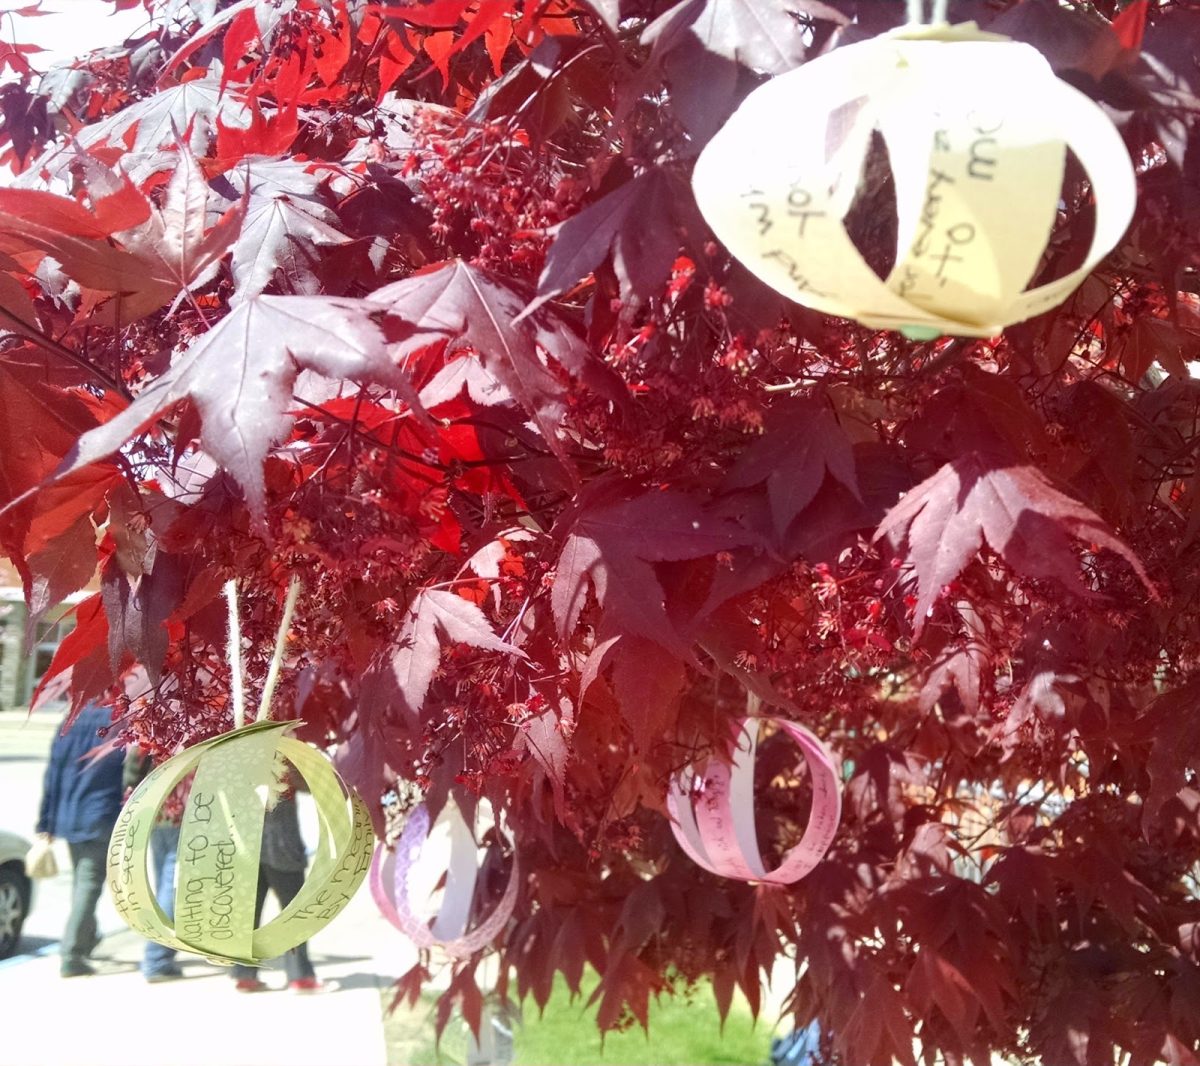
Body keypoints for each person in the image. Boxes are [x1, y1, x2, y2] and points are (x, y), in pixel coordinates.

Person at [35, 702, 124, 978]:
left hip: (69, 813)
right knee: (88, 882)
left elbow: (54, 771)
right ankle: (72, 953)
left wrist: (46, 821)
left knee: (82, 879)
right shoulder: (118, 720)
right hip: (100, 813)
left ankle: (87, 936)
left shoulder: (70, 719)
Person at [231, 788, 321, 993]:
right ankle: (300, 976)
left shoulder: (236, 760)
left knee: (247, 915)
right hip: (282, 845)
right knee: (294, 914)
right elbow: (307, 783)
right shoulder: (286, 757)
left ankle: (245, 974)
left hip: (247, 844)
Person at [122, 745, 184, 983]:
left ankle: (160, 950)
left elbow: (130, 772)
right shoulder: (186, 727)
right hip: (180, 812)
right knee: (173, 887)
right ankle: (157, 958)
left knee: (164, 885)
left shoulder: (152, 726)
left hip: (155, 810)